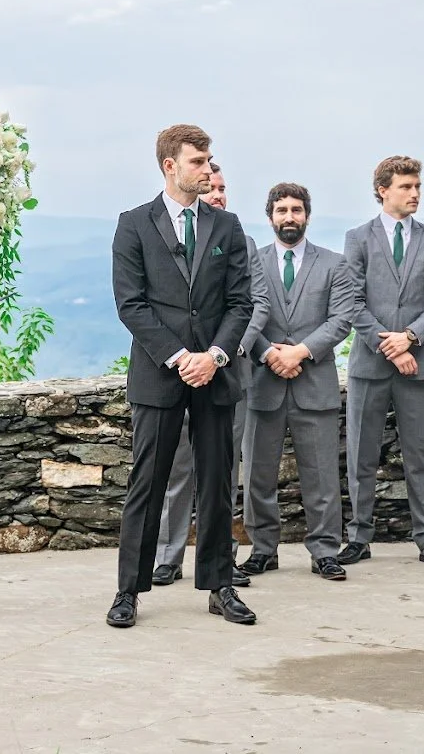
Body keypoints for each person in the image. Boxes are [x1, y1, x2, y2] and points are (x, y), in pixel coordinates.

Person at [107, 124, 256, 628]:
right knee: (146, 483)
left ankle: (221, 586)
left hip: (216, 373)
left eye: (209, 161)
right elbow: (131, 305)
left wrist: (213, 355)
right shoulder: (133, 224)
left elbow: (241, 303)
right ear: (170, 166)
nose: (208, 169)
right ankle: (129, 590)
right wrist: (179, 357)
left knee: (216, 484)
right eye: (198, 161)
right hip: (159, 375)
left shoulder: (228, 226)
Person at [152, 162, 269, 589]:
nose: (217, 194)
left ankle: (223, 559)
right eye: (212, 187)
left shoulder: (239, 238)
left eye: (223, 188)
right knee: (178, 469)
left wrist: (222, 352)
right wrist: (184, 358)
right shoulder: (171, 234)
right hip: (176, 370)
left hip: (224, 371)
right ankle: (167, 556)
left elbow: (255, 303)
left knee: (222, 471)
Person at [340, 156, 424, 569]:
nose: (415, 194)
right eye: (406, 186)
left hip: (418, 362)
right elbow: (351, 301)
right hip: (369, 364)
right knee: (361, 453)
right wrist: (387, 345)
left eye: (418, 186)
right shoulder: (357, 238)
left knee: (419, 452)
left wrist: (409, 339)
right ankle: (358, 537)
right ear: (382, 190)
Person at [242, 183, 356, 580]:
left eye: (296, 210)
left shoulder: (335, 264)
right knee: (258, 473)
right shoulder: (251, 262)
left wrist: (300, 352)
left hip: (314, 383)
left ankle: (325, 551)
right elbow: (241, 314)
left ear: (307, 214)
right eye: (281, 210)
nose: (289, 217)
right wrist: (268, 353)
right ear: (270, 216)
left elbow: (341, 318)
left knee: (322, 474)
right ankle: (262, 549)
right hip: (263, 383)